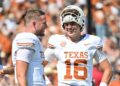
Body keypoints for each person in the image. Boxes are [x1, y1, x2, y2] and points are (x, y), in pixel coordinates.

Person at [44, 5, 113, 86]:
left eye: (72, 23)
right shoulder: (57, 41)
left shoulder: (92, 41)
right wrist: (48, 84)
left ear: (80, 23)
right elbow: (38, 67)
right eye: (66, 24)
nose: (69, 27)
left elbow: (108, 69)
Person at [11, 8, 52, 86]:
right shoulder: (28, 38)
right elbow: (20, 75)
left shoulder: (34, 40)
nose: (46, 26)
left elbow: (37, 70)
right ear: (34, 24)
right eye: (44, 23)